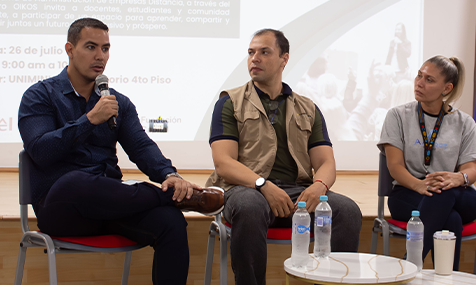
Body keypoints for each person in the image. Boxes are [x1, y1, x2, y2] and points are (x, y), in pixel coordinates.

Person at [18, 18, 224, 285]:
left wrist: (168, 174)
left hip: (111, 205)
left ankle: (170, 197)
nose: (100, 56)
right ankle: (171, 197)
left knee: (170, 221)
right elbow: (40, 151)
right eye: (91, 47)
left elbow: (141, 146)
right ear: (69, 49)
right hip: (62, 209)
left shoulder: (118, 102)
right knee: (75, 182)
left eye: (105, 48)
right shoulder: (39, 95)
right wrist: (89, 120)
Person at [207, 28, 363, 285]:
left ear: (284, 59)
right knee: (249, 207)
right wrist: (263, 185)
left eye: (264, 52)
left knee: (347, 210)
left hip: (297, 192)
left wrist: (319, 187)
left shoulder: (308, 108)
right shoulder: (229, 102)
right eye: (250, 52)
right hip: (246, 189)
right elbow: (223, 163)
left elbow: (325, 162)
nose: (254, 58)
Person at [378, 56, 476, 270]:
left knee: (444, 195)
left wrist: (458, 178)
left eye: (429, 80)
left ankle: (408, 268)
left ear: (447, 88)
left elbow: (471, 169)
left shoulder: (465, 122)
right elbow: (395, 166)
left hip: (454, 191)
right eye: (419, 75)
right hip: (408, 192)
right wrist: (420, 185)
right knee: (450, 219)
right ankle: (446, 279)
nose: (419, 83)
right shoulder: (397, 115)